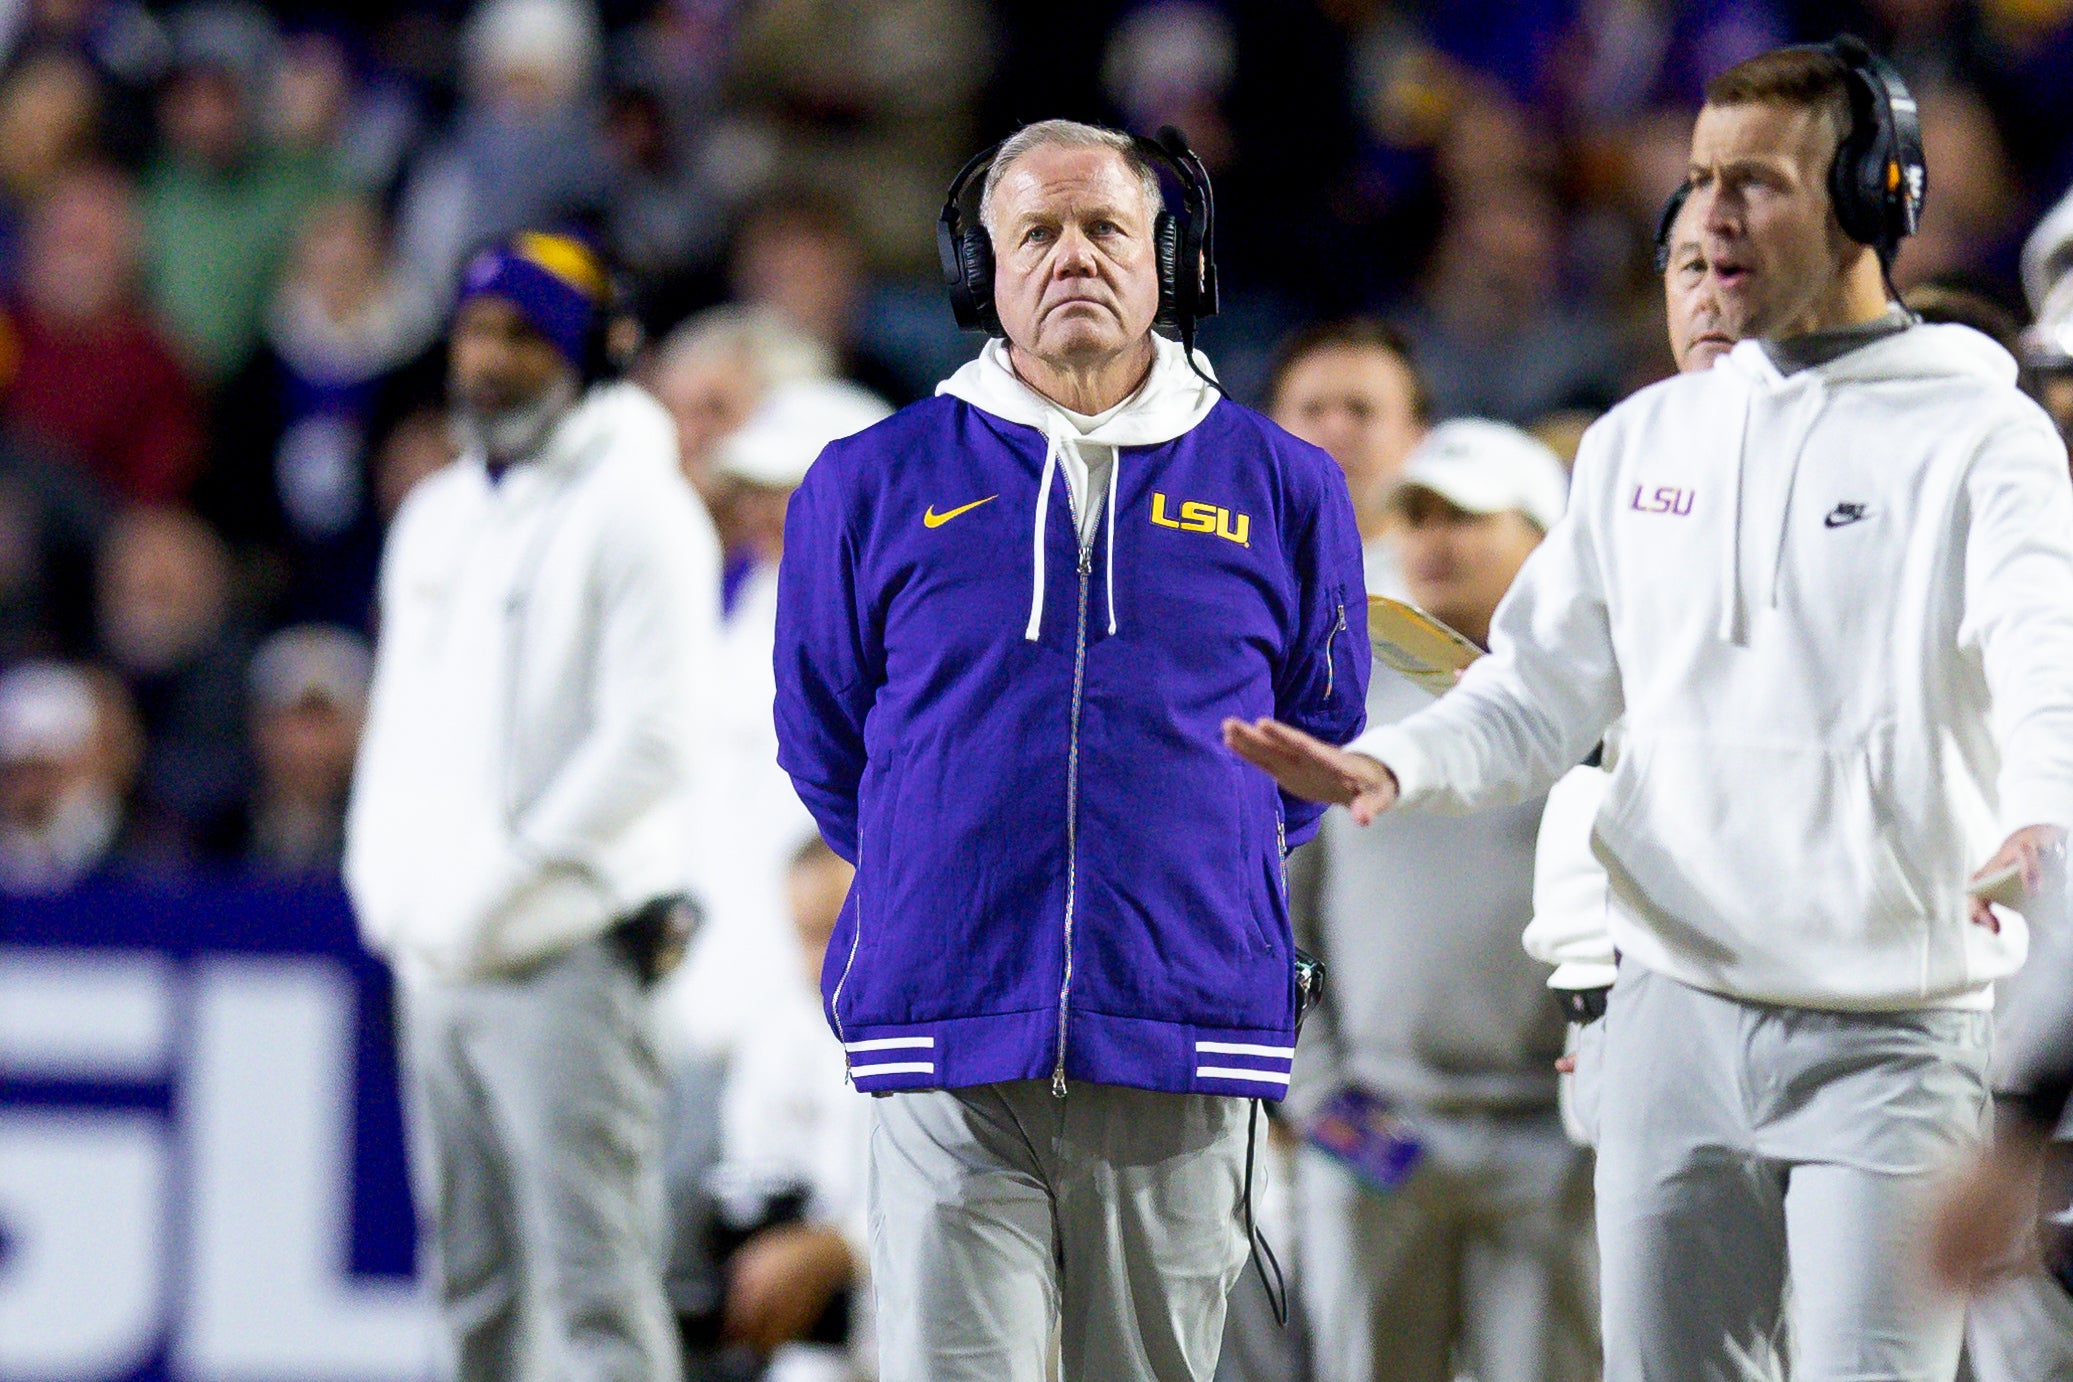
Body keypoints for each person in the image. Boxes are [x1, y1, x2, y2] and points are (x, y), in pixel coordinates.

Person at [1226, 40, 2073, 1382]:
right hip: (1672, 1006)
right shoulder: (1642, 441)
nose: (1712, 216)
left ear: (1873, 192)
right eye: (1698, 180)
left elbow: (2044, 660)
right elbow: (1531, 695)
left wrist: (2039, 806)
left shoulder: (1982, 436)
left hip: (1894, 1021)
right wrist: (1387, 763)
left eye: (1760, 183)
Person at [773, 119, 1369, 1382]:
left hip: (1179, 1027)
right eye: (1034, 232)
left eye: (1106, 226)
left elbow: (1316, 742)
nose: (1073, 258)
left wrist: (1184, 871)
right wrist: (944, 864)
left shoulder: (1289, 484)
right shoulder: (864, 481)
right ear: (978, 266)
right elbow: (828, 742)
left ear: (1173, 256)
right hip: (944, 1022)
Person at [344, 228, 719, 1382]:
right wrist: (388, 886)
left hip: (567, 951)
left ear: (591, 352)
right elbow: (398, 719)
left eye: (521, 334)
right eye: (473, 331)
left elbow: (649, 740)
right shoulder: (438, 513)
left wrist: (499, 884)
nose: (489, 360)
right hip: (439, 958)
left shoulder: (642, 507)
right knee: (470, 1284)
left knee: (597, 1283)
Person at [1289, 418, 1595, 1382]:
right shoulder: (1338, 691)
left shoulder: (1600, 707)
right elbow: (1279, 915)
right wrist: (1317, 1093)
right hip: (1379, 1121)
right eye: (1413, 513)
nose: (1430, 538)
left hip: (1554, 1134)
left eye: (1464, 516)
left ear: (1542, 537)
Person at [6, 164, 204, 505]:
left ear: (129, 259)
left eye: (88, 241)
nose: (71, 255)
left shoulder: (155, 364)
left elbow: (155, 499)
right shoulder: (9, 328)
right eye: (60, 238)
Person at [1266, 318, 1429, 596]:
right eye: (1312, 410)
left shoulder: (1448, 586)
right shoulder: (1218, 566)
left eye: (1360, 410)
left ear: (1417, 436)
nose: (1335, 431)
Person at [239, 623, 369, 876]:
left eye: (326, 722)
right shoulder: (213, 832)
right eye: (294, 720)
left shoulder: (397, 834)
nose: (308, 745)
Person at [0, 658, 140, 893]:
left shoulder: (144, 863)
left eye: (45, 772)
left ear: (98, 762)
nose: (28, 789)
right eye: (12, 774)